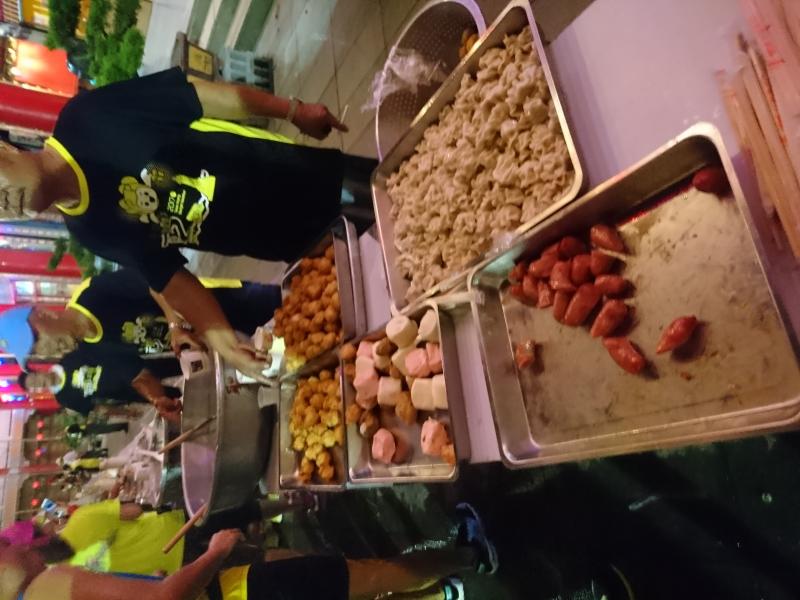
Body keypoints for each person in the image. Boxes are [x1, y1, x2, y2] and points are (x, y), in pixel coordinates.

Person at [0, 69, 376, 381]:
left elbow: (199, 97)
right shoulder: (87, 230)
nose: (4, 204)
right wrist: (226, 343)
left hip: (291, 175)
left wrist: (292, 110)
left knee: (390, 200)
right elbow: (168, 277)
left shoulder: (85, 120)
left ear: (6, 149)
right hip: (276, 242)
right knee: (372, 286)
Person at [0, 502, 497, 600]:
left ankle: (445, 591)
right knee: (361, 576)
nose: (15, 542)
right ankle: (469, 555)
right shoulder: (49, 588)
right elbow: (165, 599)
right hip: (240, 594)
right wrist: (215, 552)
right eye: (4, 545)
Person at [0, 268, 283, 357]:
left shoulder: (92, 293)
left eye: (38, 341)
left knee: (293, 305)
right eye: (37, 354)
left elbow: (156, 279)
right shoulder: (92, 343)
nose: (46, 352)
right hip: (223, 340)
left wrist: (175, 326)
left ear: (42, 315)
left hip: (219, 302)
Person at [18, 343, 182, 422]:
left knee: (179, 366)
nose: (39, 385)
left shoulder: (68, 360)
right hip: (129, 392)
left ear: (38, 371)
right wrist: (125, 413)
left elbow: (100, 352)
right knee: (173, 398)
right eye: (35, 387)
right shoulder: (64, 398)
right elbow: (96, 407)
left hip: (134, 368)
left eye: (35, 380)